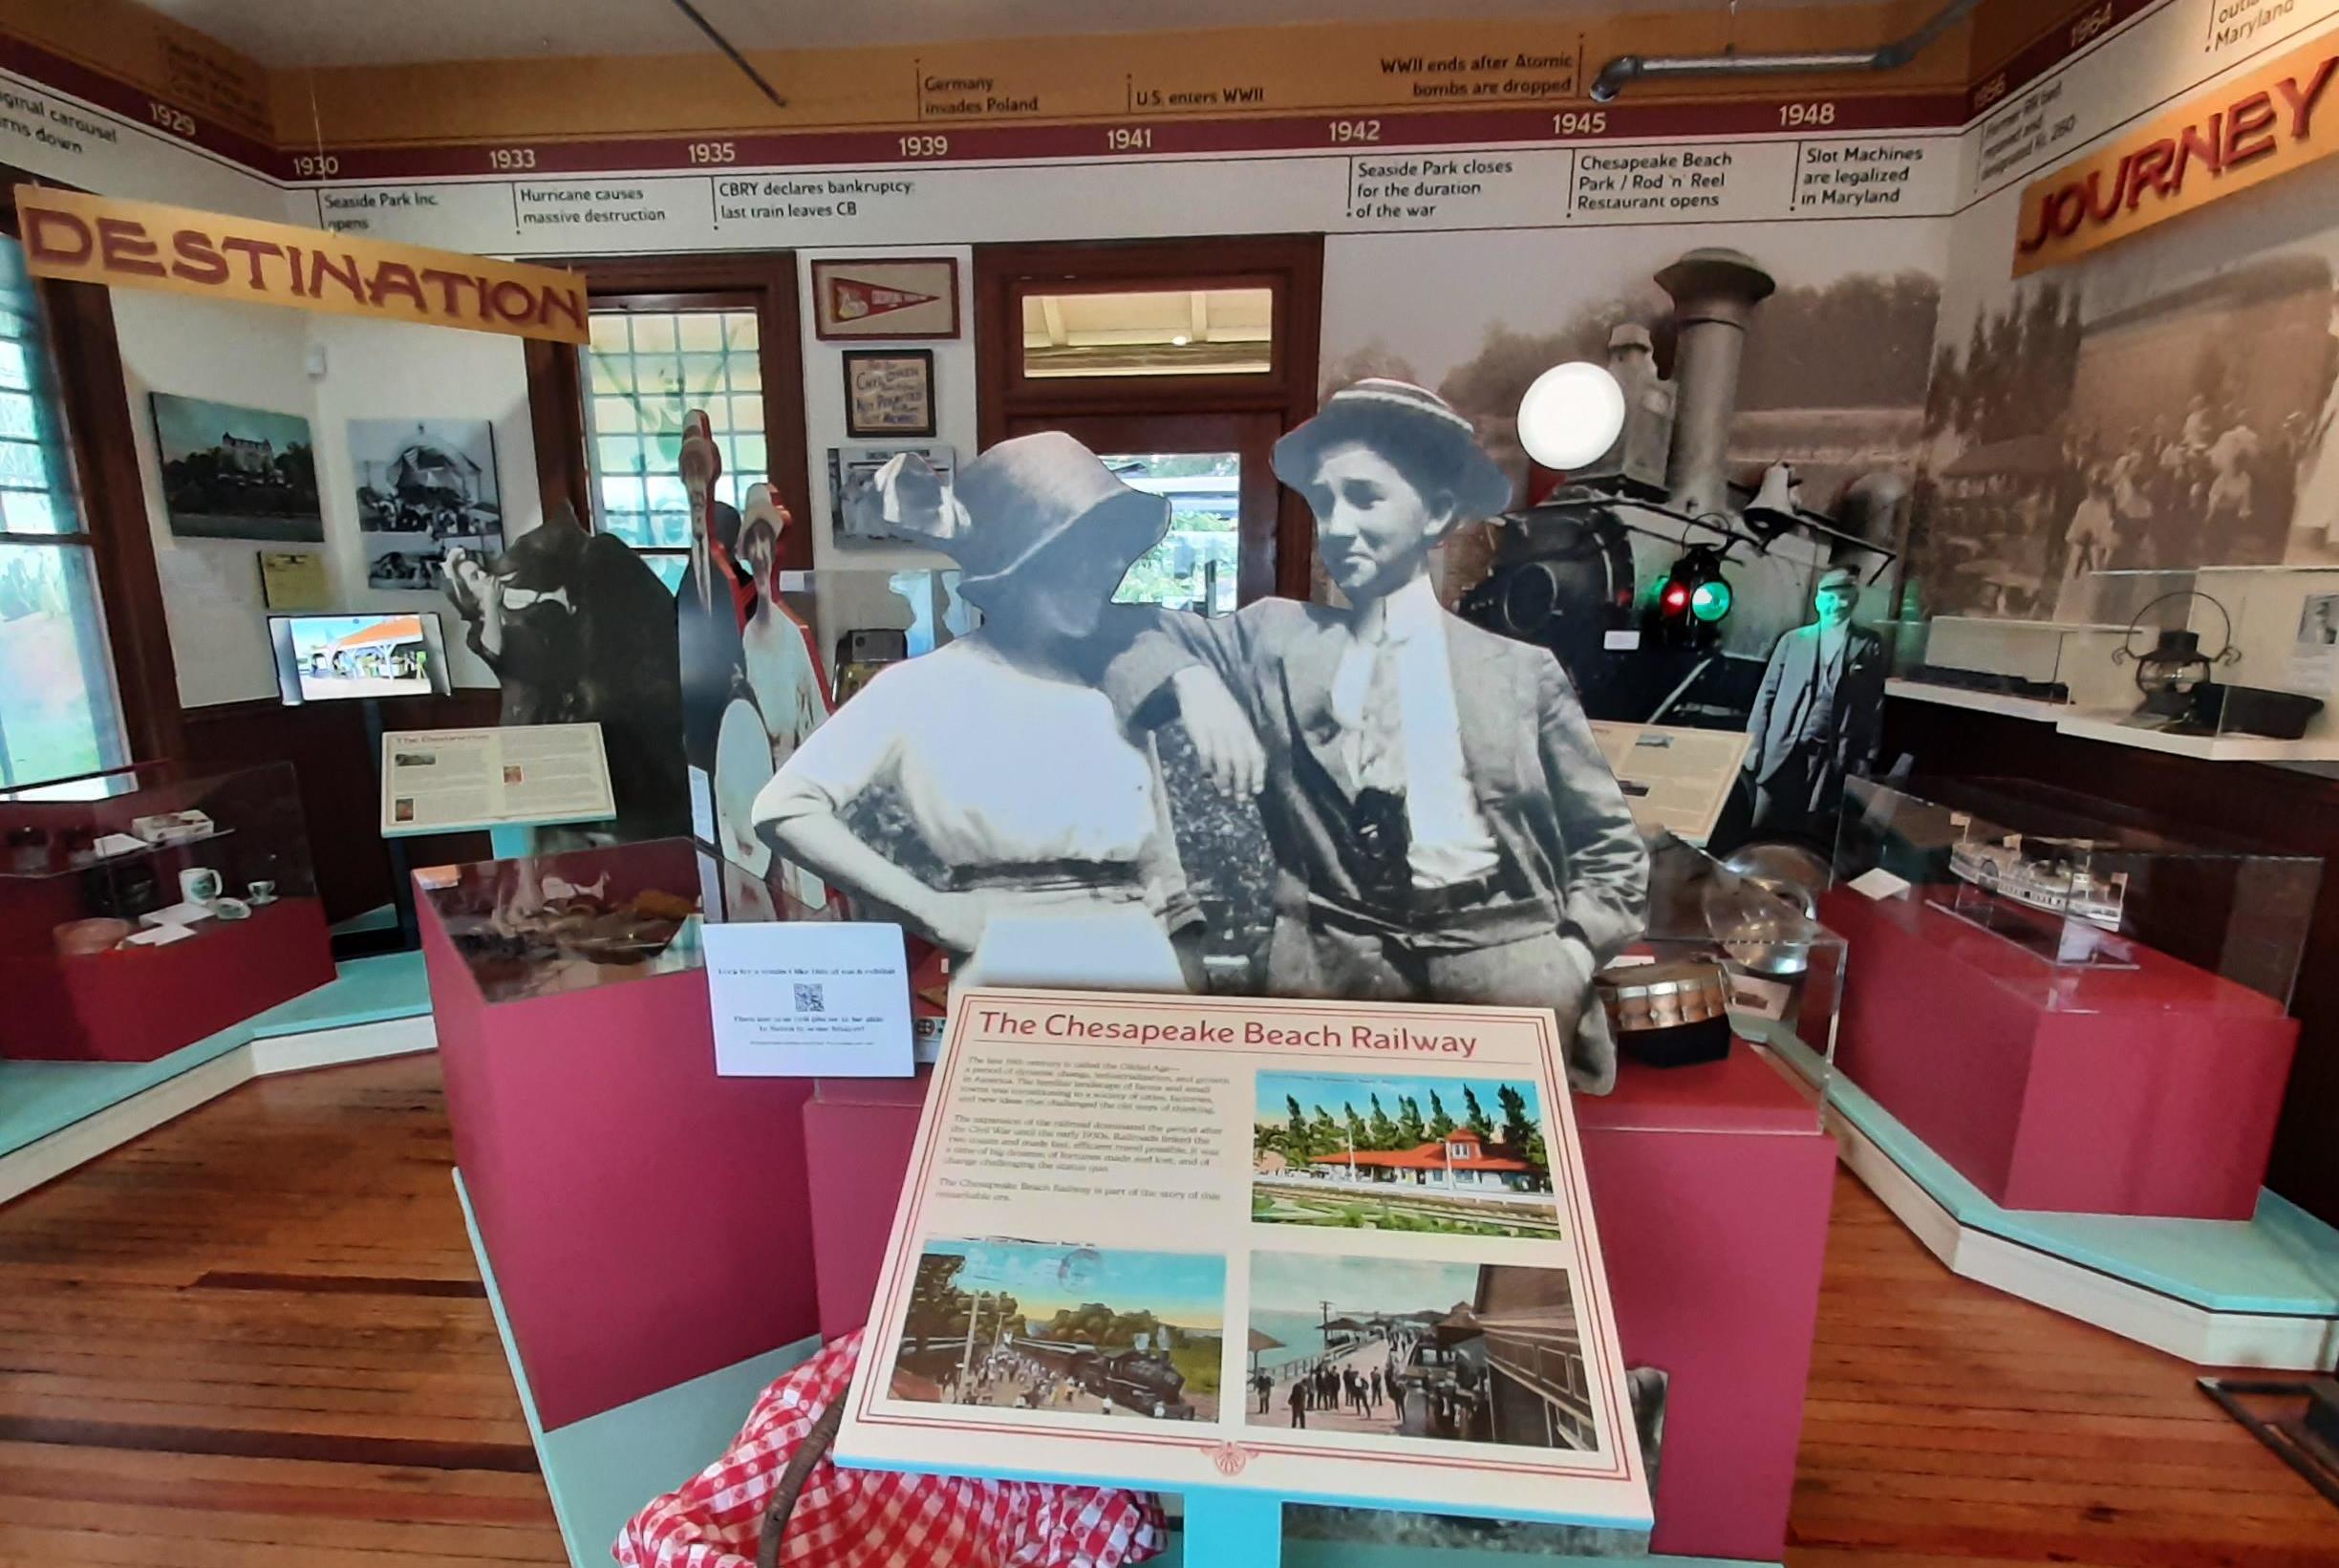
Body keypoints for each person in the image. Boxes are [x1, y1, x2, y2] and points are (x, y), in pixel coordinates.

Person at [1105, 379, 1650, 1093]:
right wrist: (1192, 680)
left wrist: (1569, 958)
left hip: (1502, 983)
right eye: (1324, 501)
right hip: (1326, 983)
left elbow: (1612, 852)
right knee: (1307, 1157)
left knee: (1486, 1162)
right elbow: (1121, 633)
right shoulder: (1274, 640)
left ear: (1438, 512)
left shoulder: (1521, 674)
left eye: (1365, 498)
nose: (1336, 525)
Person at [752, 433, 1202, 991]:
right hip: (1010, 955)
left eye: (1110, 548)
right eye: (1076, 552)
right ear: (1012, 570)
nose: (1106, 570)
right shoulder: (921, 688)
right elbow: (783, 807)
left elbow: (1163, 869)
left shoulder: (1117, 682)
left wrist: (1191, 1002)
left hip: (1140, 961)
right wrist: (930, 910)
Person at [1743, 567, 1886, 842]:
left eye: (1845, 597)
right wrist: (1753, 744)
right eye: (1830, 598)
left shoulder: (1868, 644)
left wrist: (1866, 756)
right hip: (1783, 748)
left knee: (1811, 828)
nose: (1838, 605)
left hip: (1831, 754)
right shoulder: (1792, 641)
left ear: (1854, 600)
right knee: (1763, 824)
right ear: (1818, 601)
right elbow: (1766, 694)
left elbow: (1873, 706)